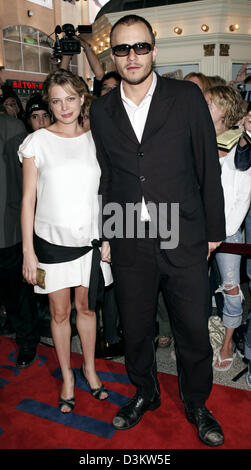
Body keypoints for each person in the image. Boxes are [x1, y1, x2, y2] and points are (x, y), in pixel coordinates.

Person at [90, 14, 226, 447]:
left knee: (190, 326)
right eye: (123, 49)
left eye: (141, 47)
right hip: (129, 235)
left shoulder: (185, 97)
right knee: (136, 324)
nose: (132, 56)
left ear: (154, 49)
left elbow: (208, 167)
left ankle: (197, 403)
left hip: (182, 232)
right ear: (113, 55)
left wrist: (213, 231)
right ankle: (145, 392)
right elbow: (108, 176)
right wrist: (109, 233)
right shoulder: (102, 109)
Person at [18, 69, 112, 413]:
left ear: (82, 98)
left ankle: (89, 368)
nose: (64, 107)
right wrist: (28, 252)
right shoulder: (37, 142)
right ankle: (68, 377)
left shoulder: (96, 140)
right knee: (59, 313)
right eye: (56, 101)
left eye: (70, 98)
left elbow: (107, 192)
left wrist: (109, 235)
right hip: (50, 244)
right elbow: (28, 200)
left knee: (87, 309)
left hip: (89, 242)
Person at [204, 86, 251, 372]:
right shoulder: (196, 138)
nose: (204, 106)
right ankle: (202, 339)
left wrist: (220, 234)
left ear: (227, 112)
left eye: (211, 103)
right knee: (195, 290)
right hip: (194, 230)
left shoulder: (241, 145)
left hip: (228, 233)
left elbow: (242, 198)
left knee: (231, 289)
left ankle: (228, 343)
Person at [0, 113, 40, 367]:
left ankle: (27, 340)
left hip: (8, 228)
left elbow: (26, 187)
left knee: (18, 290)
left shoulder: (12, 128)